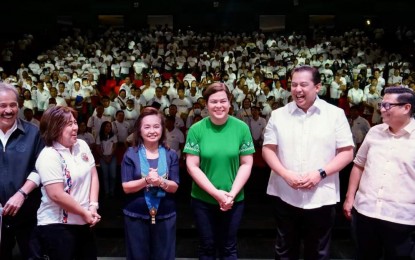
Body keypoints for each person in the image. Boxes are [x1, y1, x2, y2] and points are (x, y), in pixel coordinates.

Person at [262, 66, 354, 259]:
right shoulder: (278, 115)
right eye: (294, 85)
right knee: (285, 249)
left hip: (321, 195)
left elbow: (346, 152)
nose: (297, 89)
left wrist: (320, 173)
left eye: (304, 84)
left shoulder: (335, 114)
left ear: (318, 87)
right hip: (284, 193)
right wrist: (286, 174)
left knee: (318, 251)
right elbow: (268, 150)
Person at [183, 82, 255, 259]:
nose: (219, 106)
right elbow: (192, 166)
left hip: (234, 200)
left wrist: (231, 195)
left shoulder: (242, 128)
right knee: (207, 246)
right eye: (213, 102)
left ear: (230, 102)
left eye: (223, 101)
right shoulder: (196, 129)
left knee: (229, 247)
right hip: (203, 200)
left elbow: (246, 163)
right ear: (206, 104)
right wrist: (217, 194)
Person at [343, 87, 415, 259]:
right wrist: (349, 197)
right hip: (365, 212)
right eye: (381, 104)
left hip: (401, 218)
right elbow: (359, 165)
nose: (381, 109)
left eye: (387, 105)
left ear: (406, 108)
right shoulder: (375, 132)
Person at [34, 106, 101, 259]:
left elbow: (93, 175)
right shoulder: (49, 155)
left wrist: (93, 206)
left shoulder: (82, 145)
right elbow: (56, 194)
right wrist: (84, 213)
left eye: (75, 122)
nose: (75, 128)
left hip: (84, 221)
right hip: (57, 225)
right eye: (68, 124)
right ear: (54, 128)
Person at [121, 107, 180, 260]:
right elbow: (126, 187)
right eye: (147, 127)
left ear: (162, 129)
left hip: (165, 215)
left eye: (156, 126)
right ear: (139, 130)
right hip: (136, 215)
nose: (152, 131)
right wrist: (146, 180)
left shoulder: (170, 154)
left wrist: (160, 181)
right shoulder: (131, 154)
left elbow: (174, 187)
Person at [0, 83, 44, 259]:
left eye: (13, 105)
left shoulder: (34, 133)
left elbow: (40, 168)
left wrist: (21, 194)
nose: (8, 110)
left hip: (28, 213)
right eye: (3, 106)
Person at [96, 121, 118, 198]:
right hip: (103, 158)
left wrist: (110, 156)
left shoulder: (113, 136)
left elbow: (115, 147)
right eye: (107, 126)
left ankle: (112, 191)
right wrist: (104, 157)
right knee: (105, 176)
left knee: (113, 176)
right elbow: (98, 148)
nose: (109, 128)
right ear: (103, 127)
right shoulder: (99, 136)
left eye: (110, 126)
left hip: (112, 157)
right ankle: (107, 192)